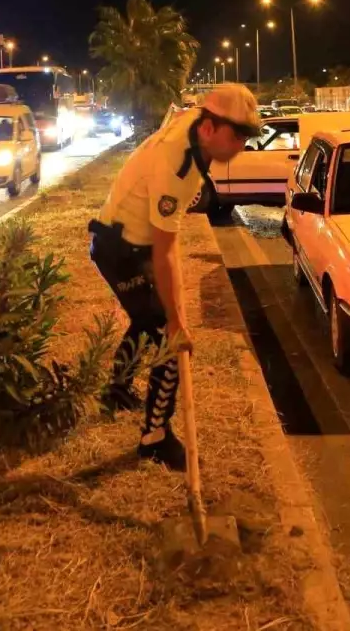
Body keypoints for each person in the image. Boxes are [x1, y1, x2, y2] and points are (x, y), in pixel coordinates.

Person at [89, 84, 259, 470]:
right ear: (209, 128)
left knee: (148, 318)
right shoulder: (178, 166)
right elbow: (165, 252)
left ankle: (117, 389)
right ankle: (154, 437)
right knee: (168, 335)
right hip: (119, 249)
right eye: (237, 135)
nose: (240, 146)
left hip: (131, 239)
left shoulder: (193, 127)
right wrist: (178, 321)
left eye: (246, 137)